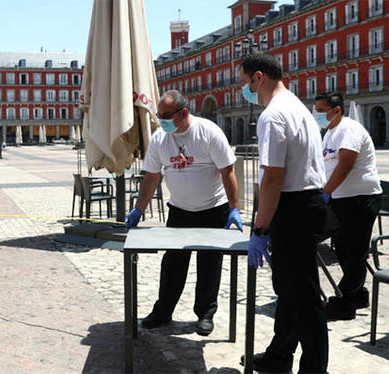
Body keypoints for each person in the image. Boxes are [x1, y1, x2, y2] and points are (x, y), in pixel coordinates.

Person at [125, 90, 242, 336]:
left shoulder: (208, 132)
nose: (161, 120)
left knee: (209, 264)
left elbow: (227, 171)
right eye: (159, 115)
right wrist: (138, 209)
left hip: (213, 209)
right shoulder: (160, 139)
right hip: (179, 210)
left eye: (166, 115)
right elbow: (151, 178)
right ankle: (163, 311)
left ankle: (205, 314)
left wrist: (234, 208)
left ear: (184, 112)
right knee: (173, 263)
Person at [240, 53, 328, 373]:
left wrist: (260, 229)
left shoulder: (272, 116)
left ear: (258, 78)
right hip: (307, 203)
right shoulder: (298, 107)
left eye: (244, 82)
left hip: (292, 209)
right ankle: (279, 355)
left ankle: (315, 368)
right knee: (290, 291)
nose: (244, 90)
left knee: (302, 296)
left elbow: (273, 177)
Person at [314, 91, 382, 320]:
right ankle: (358, 294)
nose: (318, 115)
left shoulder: (349, 130)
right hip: (341, 199)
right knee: (344, 248)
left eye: (322, 110)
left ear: (337, 110)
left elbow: (346, 164)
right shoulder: (329, 132)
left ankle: (346, 304)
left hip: (360, 198)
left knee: (354, 251)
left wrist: (326, 192)